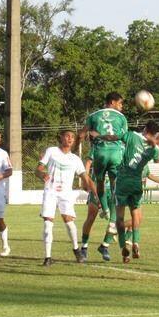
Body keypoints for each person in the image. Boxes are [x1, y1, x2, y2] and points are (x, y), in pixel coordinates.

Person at [107, 121, 159, 263]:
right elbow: (157, 160)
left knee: (119, 217)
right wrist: (157, 142)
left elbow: (116, 137)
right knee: (136, 214)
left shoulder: (132, 136)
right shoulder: (154, 148)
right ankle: (136, 242)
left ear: (144, 128)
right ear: (155, 133)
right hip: (137, 183)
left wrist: (100, 136)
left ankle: (122, 248)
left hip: (123, 182)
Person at [36, 130, 97, 266]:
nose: (70, 139)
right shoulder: (51, 151)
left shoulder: (75, 159)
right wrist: (42, 175)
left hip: (66, 194)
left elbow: (85, 178)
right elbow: (38, 169)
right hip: (50, 192)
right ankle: (47, 257)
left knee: (69, 222)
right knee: (47, 223)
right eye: (67, 136)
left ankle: (76, 249)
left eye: (72, 137)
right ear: (61, 138)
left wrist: (95, 194)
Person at [78, 92, 128, 224]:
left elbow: (81, 135)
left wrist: (73, 149)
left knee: (99, 183)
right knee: (115, 187)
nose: (122, 106)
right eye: (120, 103)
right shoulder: (122, 118)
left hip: (100, 152)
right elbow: (123, 138)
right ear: (112, 102)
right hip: (116, 153)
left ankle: (105, 209)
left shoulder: (93, 116)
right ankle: (112, 221)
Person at [80, 145, 117, 261]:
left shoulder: (119, 146)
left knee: (114, 220)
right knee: (91, 217)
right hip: (97, 187)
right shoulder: (97, 147)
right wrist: (85, 181)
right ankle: (84, 247)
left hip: (113, 190)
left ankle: (104, 246)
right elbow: (88, 164)